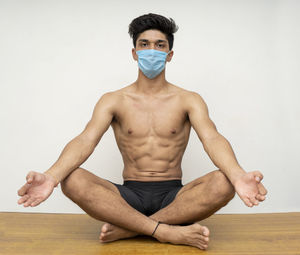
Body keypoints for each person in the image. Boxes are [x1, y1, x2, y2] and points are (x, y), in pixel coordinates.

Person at [17, 13, 268, 250]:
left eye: (160, 45)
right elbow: (86, 139)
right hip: (127, 196)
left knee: (224, 182)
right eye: (144, 44)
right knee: (71, 179)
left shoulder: (188, 99)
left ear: (170, 55)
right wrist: (51, 176)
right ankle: (165, 231)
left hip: (175, 197)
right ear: (134, 52)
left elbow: (211, 138)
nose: (152, 50)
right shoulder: (113, 99)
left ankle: (133, 228)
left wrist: (237, 176)